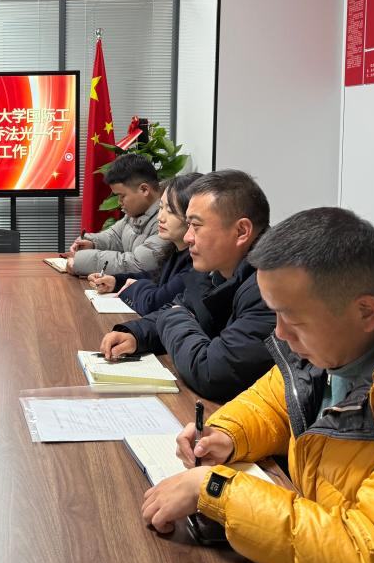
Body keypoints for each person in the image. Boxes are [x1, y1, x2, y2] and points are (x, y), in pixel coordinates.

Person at [140, 208, 374, 563]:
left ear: (366, 313)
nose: (279, 333)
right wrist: (227, 434)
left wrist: (217, 490)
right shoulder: (338, 344)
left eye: (292, 319)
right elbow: (275, 401)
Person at [99, 169, 275, 401]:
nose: (188, 237)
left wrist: (175, 316)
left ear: (241, 231)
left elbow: (212, 373)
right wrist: (137, 335)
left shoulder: (270, 288)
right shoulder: (215, 270)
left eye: (196, 226)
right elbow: (178, 307)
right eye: (188, 224)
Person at [87, 171, 201, 316]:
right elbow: (155, 277)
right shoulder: (175, 249)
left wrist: (133, 286)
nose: (160, 217)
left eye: (170, 211)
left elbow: (154, 303)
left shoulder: (196, 263)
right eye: (160, 207)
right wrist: (116, 281)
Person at [66, 154, 164, 276]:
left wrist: (81, 261)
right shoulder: (138, 210)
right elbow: (115, 236)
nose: (119, 202)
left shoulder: (166, 220)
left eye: (122, 196)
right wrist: (92, 243)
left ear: (144, 189)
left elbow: (138, 264)